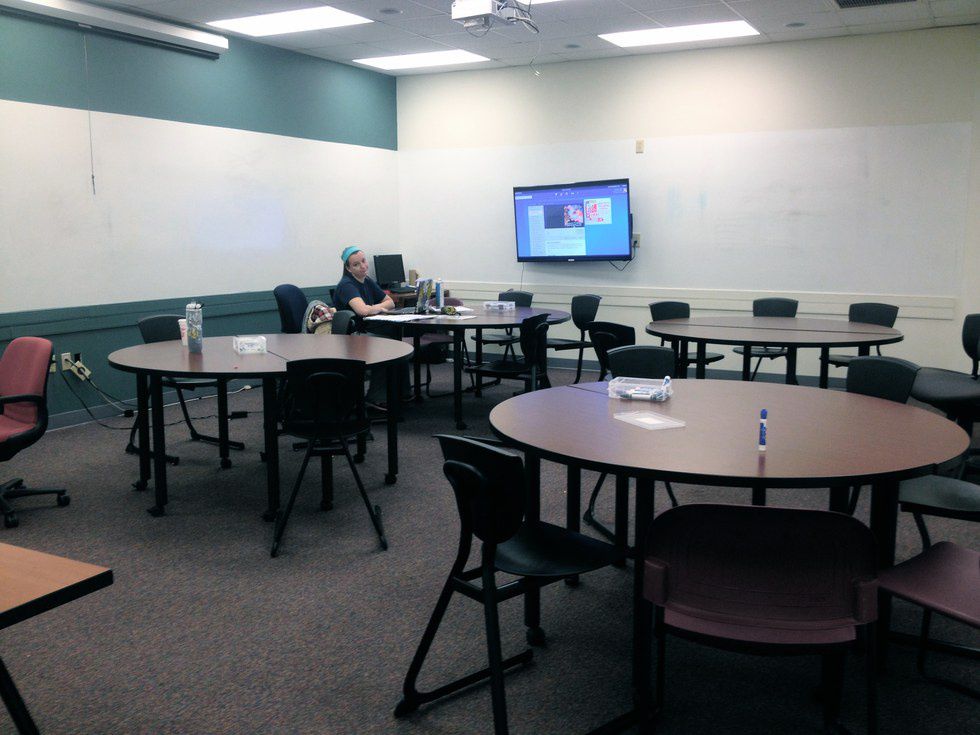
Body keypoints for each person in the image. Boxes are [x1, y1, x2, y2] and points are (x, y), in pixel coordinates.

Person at [333, 246, 407, 405]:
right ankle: (376, 398)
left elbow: (391, 302)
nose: (363, 266)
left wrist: (374, 307)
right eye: (356, 264)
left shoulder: (367, 281)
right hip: (352, 336)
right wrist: (376, 308)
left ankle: (401, 393)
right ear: (348, 269)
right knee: (387, 344)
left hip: (367, 330)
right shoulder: (347, 285)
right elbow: (362, 311)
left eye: (363, 261)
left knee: (398, 341)